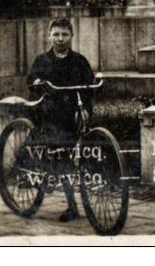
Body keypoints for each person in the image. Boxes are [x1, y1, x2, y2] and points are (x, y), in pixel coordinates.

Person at [28, 17, 95, 223]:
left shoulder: (79, 61)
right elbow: (31, 83)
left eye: (64, 34)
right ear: (49, 36)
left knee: (72, 152)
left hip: (73, 112)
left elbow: (89, 86)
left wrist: (86, 106)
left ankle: (52, 173)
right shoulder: (42, 60)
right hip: (49, 114)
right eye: (56, 34)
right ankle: (72, 206)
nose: (60, 39)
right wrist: (37, 83)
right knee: (61, 155)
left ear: (72, 36)